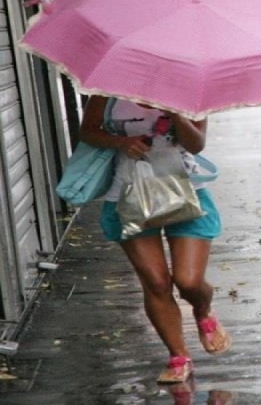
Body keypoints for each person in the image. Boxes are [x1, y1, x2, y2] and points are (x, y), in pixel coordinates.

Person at [79, 95, 232, 384]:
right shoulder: (108, 92)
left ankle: (203, 311)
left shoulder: (190, 90)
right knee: (157, 282)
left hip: (187, 193)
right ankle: (178, 356)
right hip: (127, 196)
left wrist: (176, 113)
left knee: (188, 281)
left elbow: (197, 144)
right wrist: (121, 142)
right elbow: (87, 131)